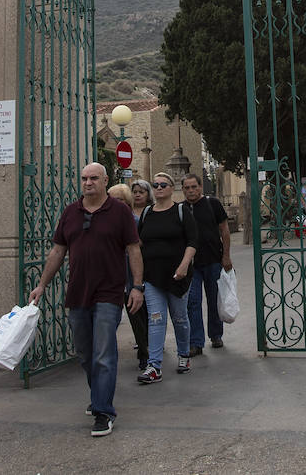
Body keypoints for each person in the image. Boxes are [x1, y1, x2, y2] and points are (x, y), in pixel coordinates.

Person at [29, 162, 143, 438]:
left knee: (104, 353)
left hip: (109, 293)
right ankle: (99, 395)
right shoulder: (71, 212)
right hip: (78, 293)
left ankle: (104, 411)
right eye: (84, 178)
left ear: (105, 181)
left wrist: (137, 287)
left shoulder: (120, 212)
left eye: (93, 178)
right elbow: (57, 252)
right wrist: (42, 285)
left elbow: (133, 250)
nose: (88, 183)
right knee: (84, 353)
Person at [135, 172, 198, 382]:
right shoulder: (147, 213)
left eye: (163, 184)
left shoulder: (181, 211)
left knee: (179, 318)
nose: (159, 188)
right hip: (152, 276)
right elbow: (138, 243)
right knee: (156, 319)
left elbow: (192, 241)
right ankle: (154, 366)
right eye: (156, 185)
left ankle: (184, 355)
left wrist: (184, 265)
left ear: (172, 188)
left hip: (178, 276)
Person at [182, 172, 232, 354]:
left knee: (214, 299)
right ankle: (196, 342)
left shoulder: (213, 204)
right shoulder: (181, 209)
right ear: (183, 190)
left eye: (194, 187)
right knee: (193, 302)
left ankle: (216, 335)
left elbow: (224, 230)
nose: (191, 191)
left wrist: (226, 256)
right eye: (187, 188)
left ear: (200, 187)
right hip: (192, 265)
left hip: (213, 261)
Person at [126, 179, 153, 368]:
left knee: (148, 306)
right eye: (134, 191)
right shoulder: (126, 214)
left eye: (141, 192)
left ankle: (151, 341)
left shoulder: (151, 213)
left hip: (146, 264)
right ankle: (143, 341)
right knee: (134, 307)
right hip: (127, 267)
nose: (137, 195)